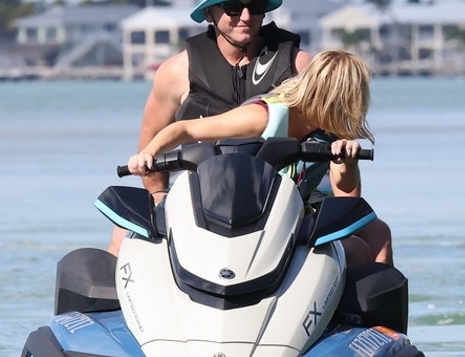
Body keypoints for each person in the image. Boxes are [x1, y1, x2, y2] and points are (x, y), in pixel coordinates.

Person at [108, 0, 311, 255]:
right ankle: (111, 301)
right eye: (231, 7)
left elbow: (331, 135)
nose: (245, 17)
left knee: (373, 235)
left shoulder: (299, 65)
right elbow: (149, 143)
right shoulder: (176, 72)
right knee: (121, 232)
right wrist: (158, 195)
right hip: (199, 199)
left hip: (285, 198)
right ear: (209, 14)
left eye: (254, 6)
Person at [126, 49, 393, 266]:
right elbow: (184, 129)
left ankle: (367, 326)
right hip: (232, 215)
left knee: (368, 240)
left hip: (288, 219)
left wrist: (347, 163)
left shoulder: (335, 132)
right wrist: (148, 153)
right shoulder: (263, 115)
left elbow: (348, 202)